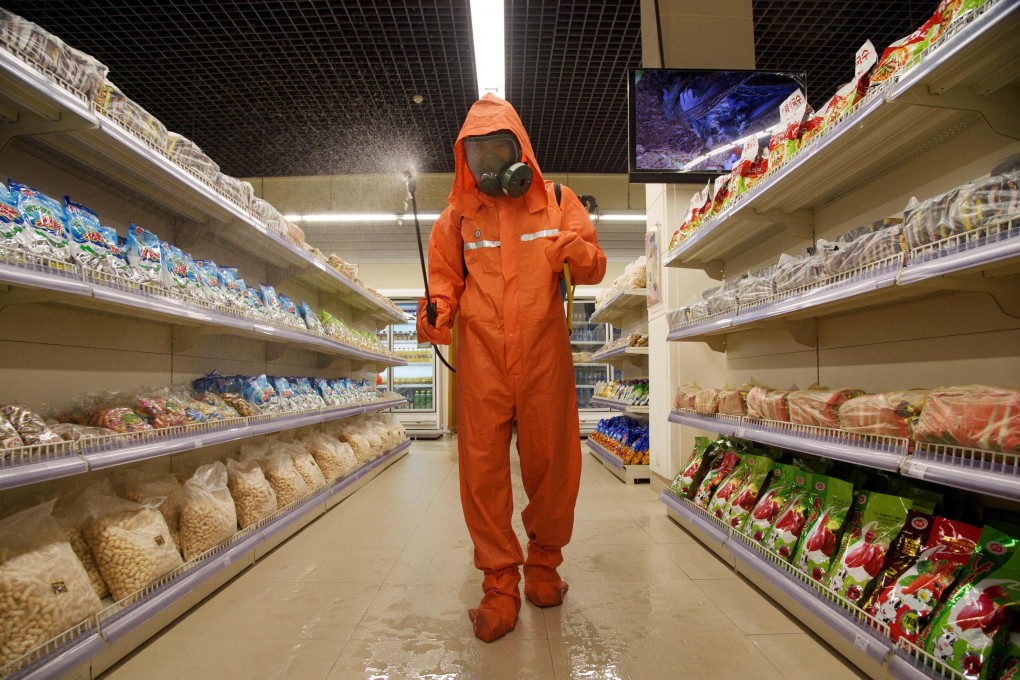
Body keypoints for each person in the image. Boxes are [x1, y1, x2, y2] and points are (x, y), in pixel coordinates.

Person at [416, 94, 606, 642]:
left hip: (544, 359)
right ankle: (500, 584)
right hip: (482, 363)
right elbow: (441, 290)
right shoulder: (455, 219)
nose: (490, 167)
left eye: (499, 150)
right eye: (477, 157)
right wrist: (434, 317)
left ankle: (544, 567)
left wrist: (574, 249)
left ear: (520, 148)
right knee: (483, 473)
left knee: (554, 466)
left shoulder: (556, 200)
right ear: (463, 161)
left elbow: (593, 266)